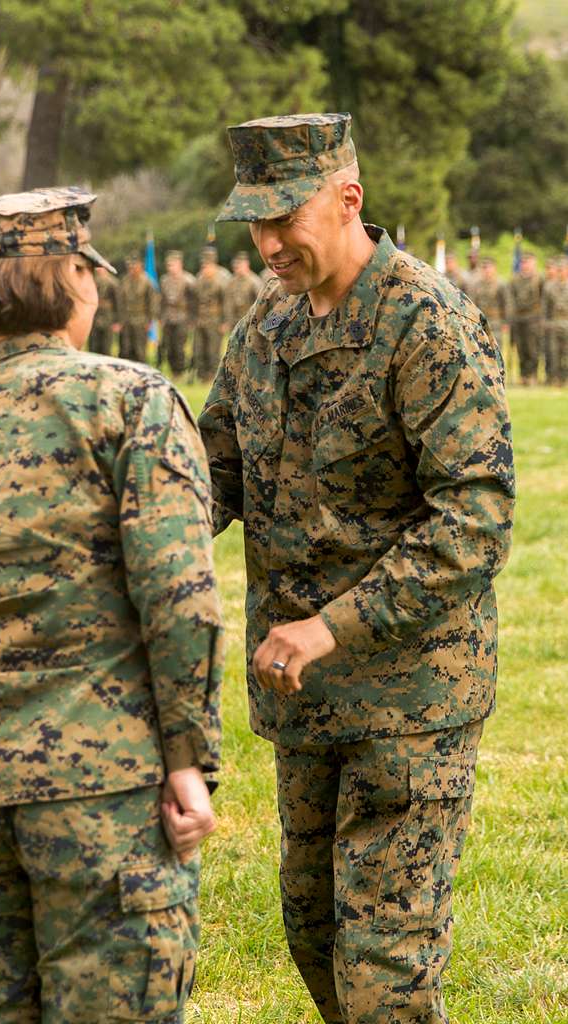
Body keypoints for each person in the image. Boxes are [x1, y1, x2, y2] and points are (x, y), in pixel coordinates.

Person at [198, 112, 515, 1024]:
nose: (265, 244)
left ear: (348, 199)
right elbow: (215, 466)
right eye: (251, 223)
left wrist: (332, 625)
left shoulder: (428, 323)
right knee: (314, 936)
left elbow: (476, 518)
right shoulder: (266, 322)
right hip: (304, 698)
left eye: (282, 218)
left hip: (408, 698)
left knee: (384, 973)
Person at [0, 186, 223, 1024]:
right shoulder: (133, 402)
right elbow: (179, 598)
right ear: (74, 276)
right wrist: (188, 760)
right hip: (100, 793)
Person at [159, 250, 196, 375]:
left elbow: (193, 301)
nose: (170, 268)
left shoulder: (188, 280)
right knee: (168, 346)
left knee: (179, 346)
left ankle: (179, 370)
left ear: (180, 264)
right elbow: (162, 300)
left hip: (183, 317)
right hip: (168, 317)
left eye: (173, 264)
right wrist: (161, 317)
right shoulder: (164, 280)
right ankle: (172, 369)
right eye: (168, 265)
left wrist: (192, 319)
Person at [508, 251, 543, 385]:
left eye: (528, 262)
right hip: (518, 318)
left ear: (534, 263)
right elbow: (511, 298)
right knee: (520, 348)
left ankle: (532, 374)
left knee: (532, 348)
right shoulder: (515, 279)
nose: (525, 265)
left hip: (533, 318)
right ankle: (523, 375)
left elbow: (543, 298)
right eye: (523, 262)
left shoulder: (539, 278)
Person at [192, 247, 227, 382]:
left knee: (213, 350)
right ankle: (202, 375)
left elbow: (226, 301)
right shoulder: (199, 278)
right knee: (199, 349)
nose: (205, 266)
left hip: (215, 320)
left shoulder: (222, 278)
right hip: (201, 320)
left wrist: (225, 321)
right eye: (204, 264)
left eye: (208, 264)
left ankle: (213, 375)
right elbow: (195, 300)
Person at [118, 252, 157, 363]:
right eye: (130, 266)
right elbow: (121, 302)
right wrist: (120, 320)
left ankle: (141, 372)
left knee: (139, 349)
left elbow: (152, 302)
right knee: (125, 348)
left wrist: (150, 321)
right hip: (127, 320)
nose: (132, 268)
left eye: (134, 266)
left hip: (141, 319)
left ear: (140, 266)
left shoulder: (147, 282)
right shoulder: (125, 280)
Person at [543, 255, 568, 386]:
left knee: (566, 352)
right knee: (554, 352)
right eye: (559, 270)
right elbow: (545, 307)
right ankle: (554, 377)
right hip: (554, 323)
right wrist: (546, 322)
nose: (560, 272)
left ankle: (565, 378)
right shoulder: (549, 287)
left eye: (563, 269)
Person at [224, 250, 262, 329]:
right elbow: (228, 303)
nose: (237, 269)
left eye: (240, 265)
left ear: (246, 264)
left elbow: (261, 303)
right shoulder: (231, 282)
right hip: (235, 322)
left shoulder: (254, 281)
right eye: (235, 266)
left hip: (250, 322)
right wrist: (228, 321)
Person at [89, 264, 120, 355]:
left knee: (106, 344)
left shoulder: (113, 283)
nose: (99, 270)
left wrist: (117, 321)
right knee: (94, 344)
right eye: (97, 267)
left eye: (101, 267)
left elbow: (117, 303)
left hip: (108, 317)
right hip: (95, 316)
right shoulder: (92, 281)